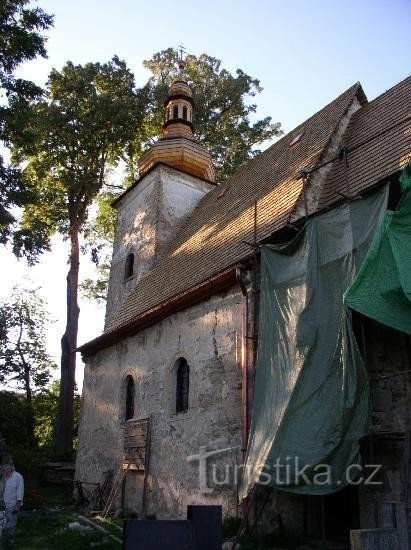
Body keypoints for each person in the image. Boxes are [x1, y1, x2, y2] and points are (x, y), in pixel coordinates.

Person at [0, 463, 24, 549]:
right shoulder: (1, 477)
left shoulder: (18, 476)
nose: (4, 472)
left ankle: (9, 543)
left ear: (10, 469)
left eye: (5, 470)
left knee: (10, 526)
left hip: (12, 506)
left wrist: (18, 505)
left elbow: (20, 490)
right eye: (3, 470)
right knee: (1, 527)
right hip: (1, 507)